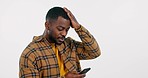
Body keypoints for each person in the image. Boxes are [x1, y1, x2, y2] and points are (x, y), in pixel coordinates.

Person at [19, 7, 101, 78]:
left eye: (67, 30)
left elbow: (94, 52)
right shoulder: (30, 54)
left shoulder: (69, 44)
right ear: (47, 25)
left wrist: (78, 27)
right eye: (60, 29)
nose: (64, 33)